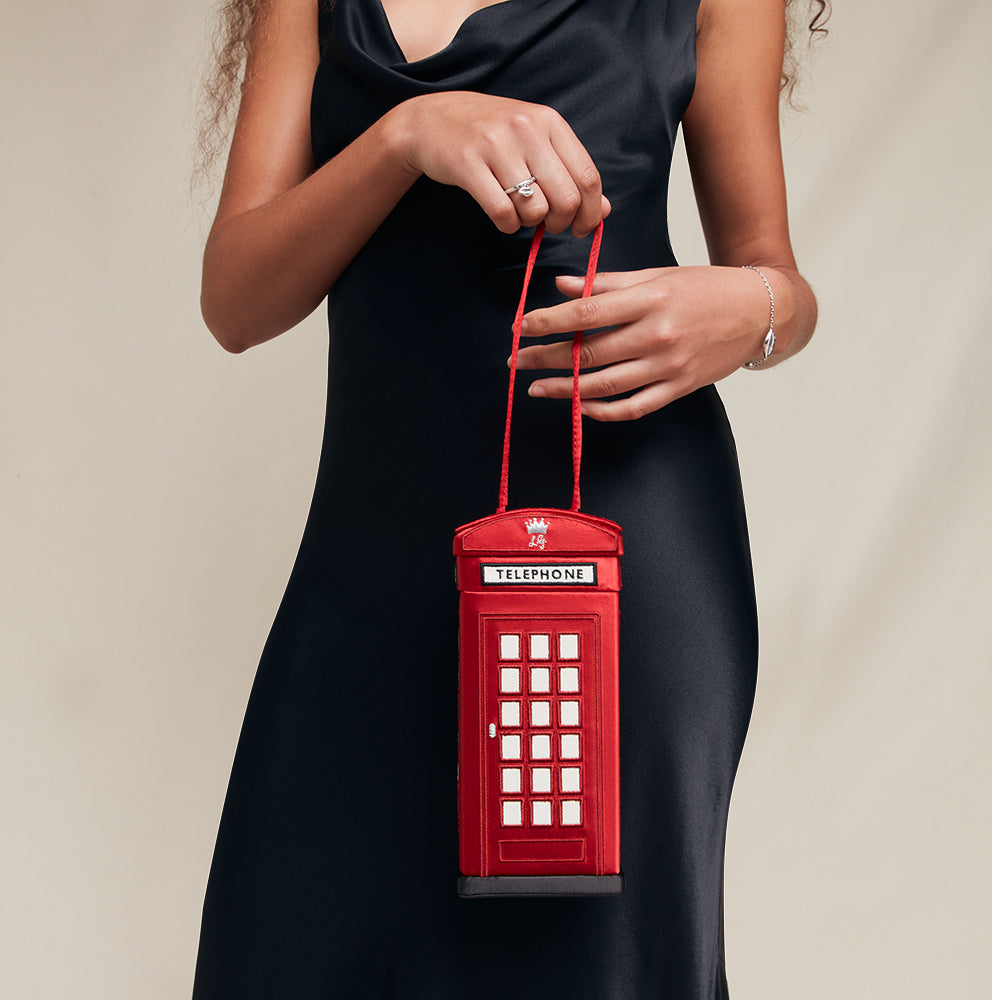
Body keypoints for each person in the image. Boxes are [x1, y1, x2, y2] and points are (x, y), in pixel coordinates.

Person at [192, 0, 825, 996]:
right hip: (374, 558)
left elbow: (778, 283)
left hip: (620, 562)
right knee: (289, 940)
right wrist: (406, 134)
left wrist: (753, 308)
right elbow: (236, 299)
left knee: (588, 964)